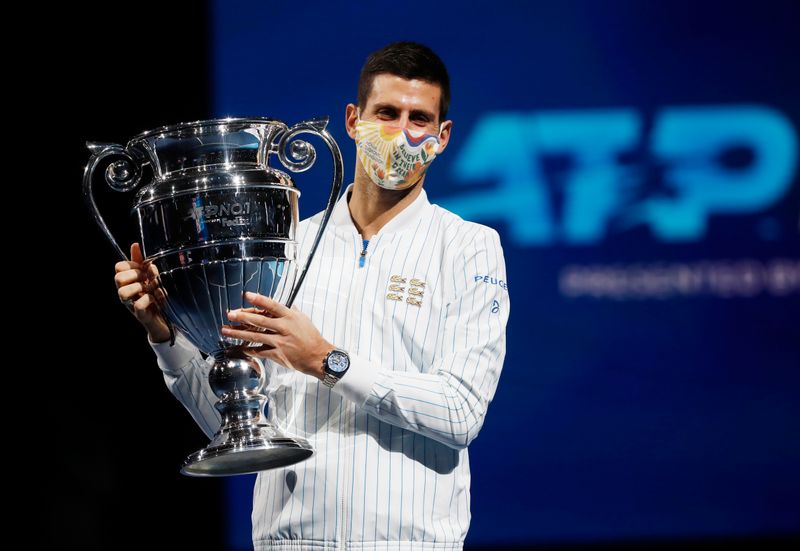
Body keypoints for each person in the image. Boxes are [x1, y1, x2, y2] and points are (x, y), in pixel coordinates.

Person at [114, 41, 509, 551]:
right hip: (290, 541)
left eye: (420, 119)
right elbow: (230, 420)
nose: (402, 134)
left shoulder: (469, 248)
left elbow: (460, 413)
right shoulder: (285, 248)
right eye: (386, 113)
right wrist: (164, 333)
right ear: (352, 119)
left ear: (442, 135)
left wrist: (326, 360)